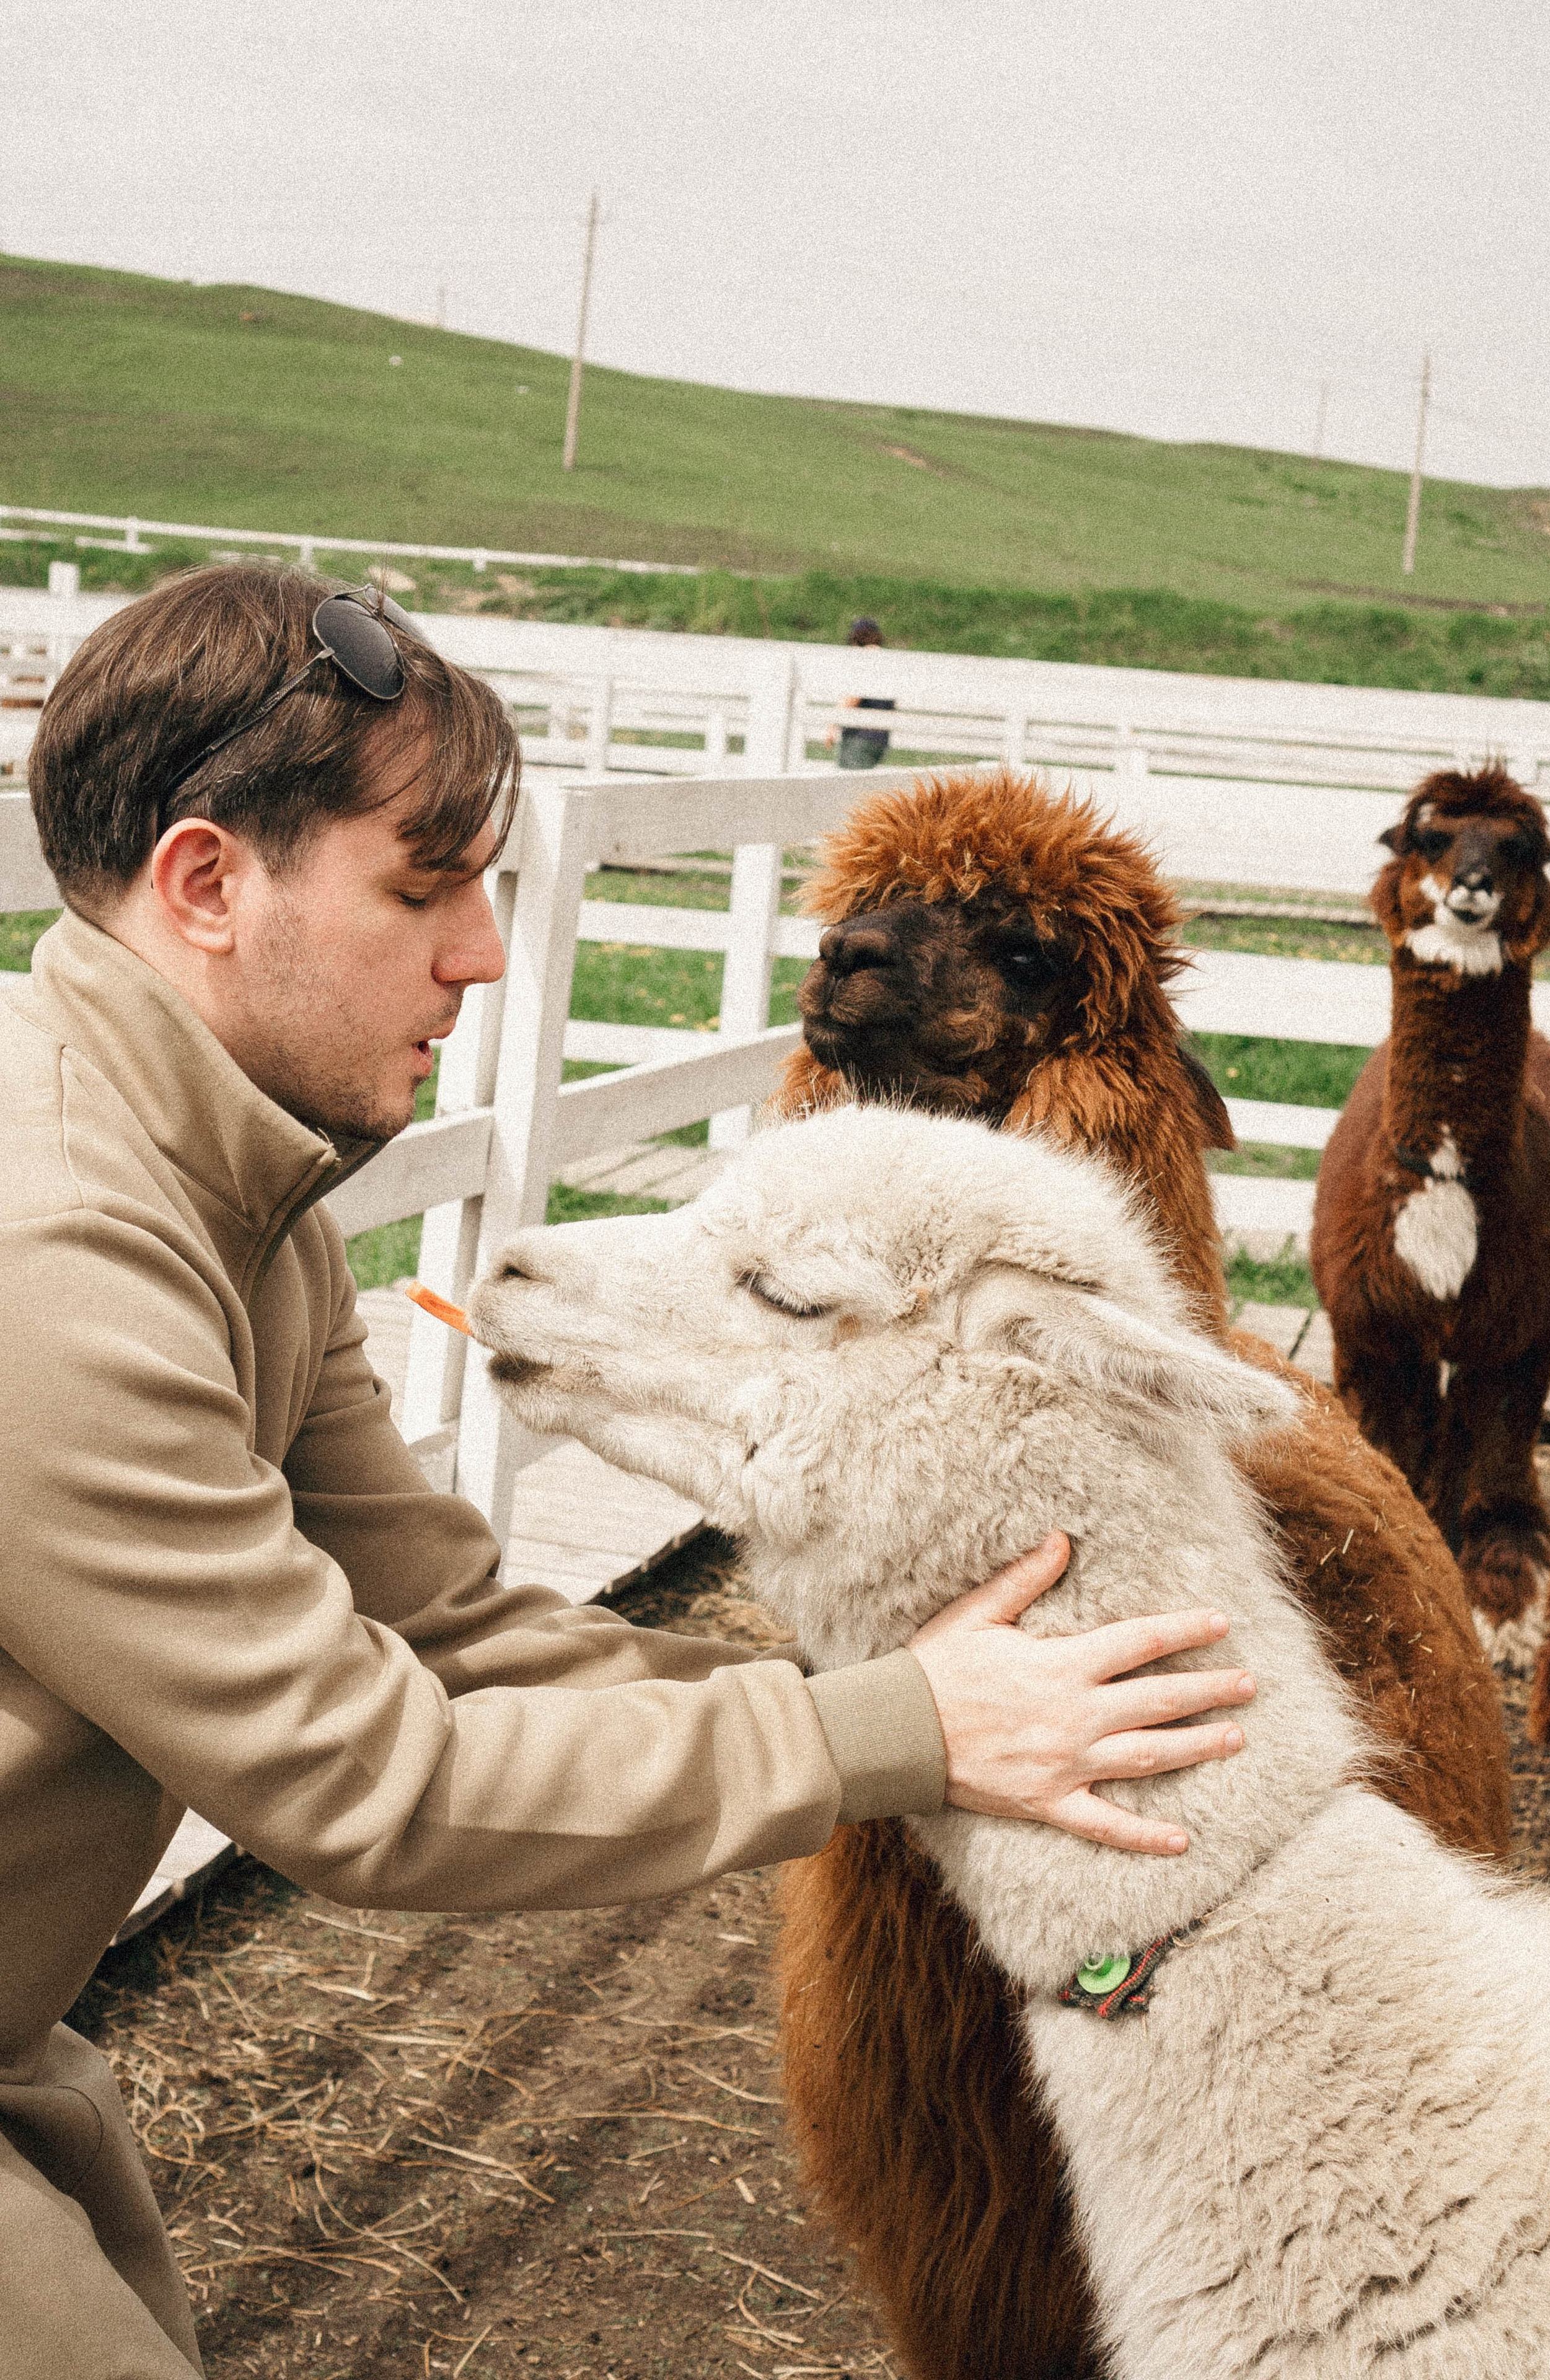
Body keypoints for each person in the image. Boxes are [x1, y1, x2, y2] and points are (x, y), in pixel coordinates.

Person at [0, 565, 1256, 2376]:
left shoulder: (244, 1210)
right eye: (422, 887)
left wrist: (909, 1715)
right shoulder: (57, 1252)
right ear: (208, 883)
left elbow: (450, 1621)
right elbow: (369, 1778)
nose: (490, 951)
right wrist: (899, 1731)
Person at [824, 614, 895, 766]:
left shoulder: (866, 659)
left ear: (856, 639)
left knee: (848, 783)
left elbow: (854, 696)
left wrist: (832, 724)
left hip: (860, 738)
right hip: (880, 740)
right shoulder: (888, 662)